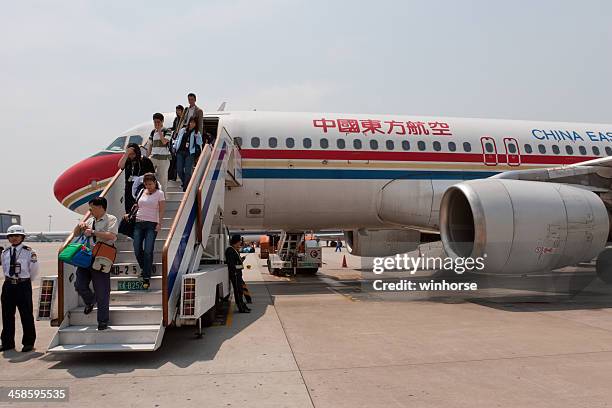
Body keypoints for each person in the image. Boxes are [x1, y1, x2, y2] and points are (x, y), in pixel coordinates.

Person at [73, 197, 118, 331]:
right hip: (87, 256)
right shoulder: (90, 220)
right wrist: (79, 225)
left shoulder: (111, 219)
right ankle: (90, 301)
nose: (90, 210)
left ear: (101, 207)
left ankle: (102, 321)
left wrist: (93, 232)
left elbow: (112, 236)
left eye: (92, 207)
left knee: (102, 291)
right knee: (79, 284)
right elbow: (76, 234)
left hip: (102, 257)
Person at [0, 225, 37, 352]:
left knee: (26, 314)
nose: (14, 238)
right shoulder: (4, 252)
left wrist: (25, 281)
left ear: (22, 237)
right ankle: (7, 342)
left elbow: (34, 270)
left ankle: (28, 342)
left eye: (17, 236)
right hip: (8, 285)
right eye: (11, 236)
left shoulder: (29, 252)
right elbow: (5, 269)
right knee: (7, 314)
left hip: (23, 285)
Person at [132, 173, 165, 289]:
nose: (148, 186)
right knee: (136, 249)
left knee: (148, 250)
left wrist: (159, 223)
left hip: (152, 224)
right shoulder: (141, 192)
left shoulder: (160, 194)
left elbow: (161, 210)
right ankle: (145, 267)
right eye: (146, 184)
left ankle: (146, 276)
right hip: (138, 222)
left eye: (150, 184)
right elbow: (137, 205)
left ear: (155, 183)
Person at [118, 143, 155, 213]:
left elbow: (152, 175)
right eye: (129, 154)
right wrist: (126, 154)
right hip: (129, 189)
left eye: (132, 154)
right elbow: (120, 166)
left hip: (141, 189)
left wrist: (140, 179)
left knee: (141, 210)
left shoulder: (145, 160)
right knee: (129, 210)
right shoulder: (128, 160)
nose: (131, 156)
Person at [173, 117, 203, 191]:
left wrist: (197, 136)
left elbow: (200, 143)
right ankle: (185, 182)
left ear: (196, 124)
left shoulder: (196, 133)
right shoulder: (182, 130)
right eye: (191, 122)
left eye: (194, 123)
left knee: (188, 171)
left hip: (190, 153)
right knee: (179, 170)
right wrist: (174, 146)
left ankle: (185, 187)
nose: (192, 124)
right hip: (180, 152)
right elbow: (177, 139)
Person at [147, 112, 172, 193]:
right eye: (155, 122)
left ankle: (163, 198)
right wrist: (147, 158)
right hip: (154, 157)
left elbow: (165, 141)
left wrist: (160, 131)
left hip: (164, 159)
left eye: (158, 122)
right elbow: (150, 145)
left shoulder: (167, 131)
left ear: (162, 122)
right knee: (148, 176)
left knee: (162, 179)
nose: (156, 124)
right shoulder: (152, 132)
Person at [225, 235, 250, 313]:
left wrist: (241, 260)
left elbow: (236, 262)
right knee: (238, 291)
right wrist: (240, 266)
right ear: (236, 241)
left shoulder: (234, 250)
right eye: (239, 242)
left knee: (240, 291)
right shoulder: (230, 250)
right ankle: (241, 308)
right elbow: (231, 265)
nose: (240, 243)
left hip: (238, 273)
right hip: (235, 274)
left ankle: (243, 306)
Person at [168, 105, 184, 182]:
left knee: (176, 159)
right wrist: (168, 129)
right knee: (173, 159)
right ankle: (172, 176)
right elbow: (174, 128)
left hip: (181, 140)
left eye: (179, 110)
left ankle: (175, 176)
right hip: (175, 140)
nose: (177, 112)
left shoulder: (185, 119)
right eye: (177, 110)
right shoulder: (176, 119)